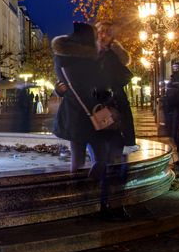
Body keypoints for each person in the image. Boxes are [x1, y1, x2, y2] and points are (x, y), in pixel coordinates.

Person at [52, 22, 124, 219]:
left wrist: (59, 90)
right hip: (93, 115)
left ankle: (76, 199)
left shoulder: (61, 57)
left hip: (72, 116)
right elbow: (102, 88)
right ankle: (96, 199)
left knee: (76, 158)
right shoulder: (92, 60)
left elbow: (60, 85)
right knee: (101, 158)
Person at [95, 21, 135, 219]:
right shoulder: (91, 56)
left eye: (106, 32)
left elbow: (124, 77)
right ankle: (104, 204)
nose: (102, 35)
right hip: (98, 112)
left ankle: (117, 204)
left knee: (118, 162)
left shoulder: (114, 55)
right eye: (99, 31)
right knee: (103, 161)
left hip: (116, 111)